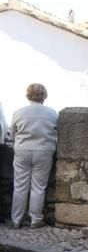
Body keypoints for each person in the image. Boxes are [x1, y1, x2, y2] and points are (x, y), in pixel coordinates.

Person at [10, 84, 58, 229]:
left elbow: (12, 134)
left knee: (19, 186)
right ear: (44, 96)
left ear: (28, 95)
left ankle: (16, 219)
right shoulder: (52, 113)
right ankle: (35, 219)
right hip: (44, 151)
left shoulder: (19, 112)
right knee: (38, 187)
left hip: (22, 151)